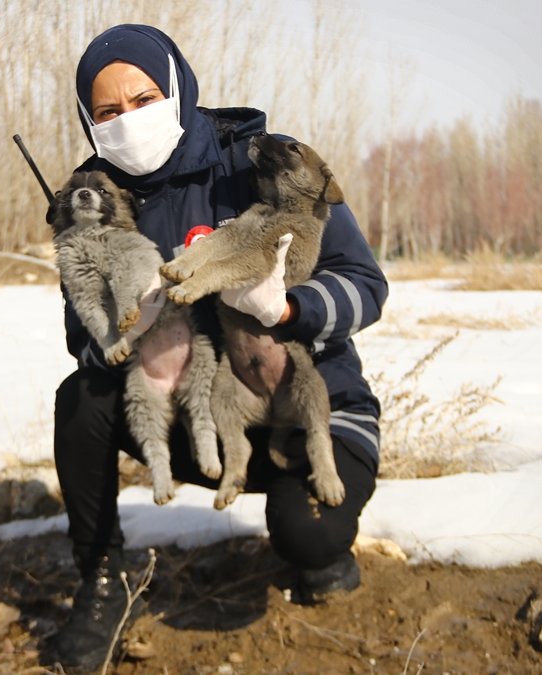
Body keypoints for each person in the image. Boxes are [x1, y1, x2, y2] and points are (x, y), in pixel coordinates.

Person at [51, 24, 387, 670]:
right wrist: (125, 328)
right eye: (109, 112)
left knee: (312, 533)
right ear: (89, 122)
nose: (129, 121)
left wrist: (292, 308)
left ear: (178, 89)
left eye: (145, 99)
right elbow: (81, 340)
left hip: (301, 401)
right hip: (203, 409)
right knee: (81, 399)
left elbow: (366, 284)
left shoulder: (261, 162)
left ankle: (318, 545)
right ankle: (102, 580)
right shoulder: (92, 198)